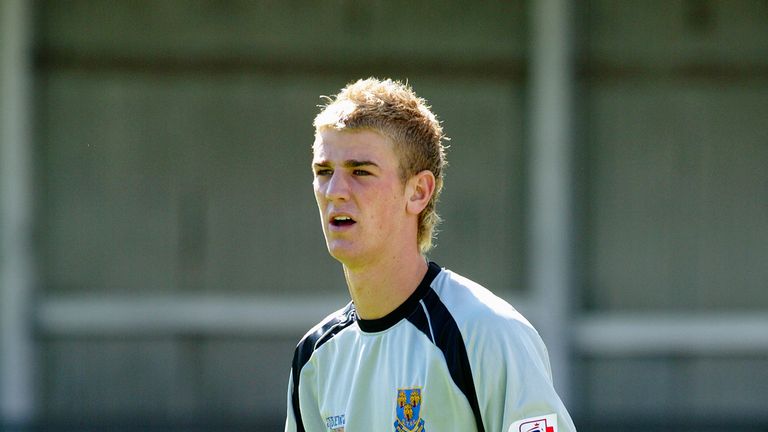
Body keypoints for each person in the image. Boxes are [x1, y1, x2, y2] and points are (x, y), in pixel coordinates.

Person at [284, 77, 576, 432]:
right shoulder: (315, 358)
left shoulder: (487, 334)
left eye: (361, 171)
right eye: (324, 172)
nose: (335, 191)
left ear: (418, 191)